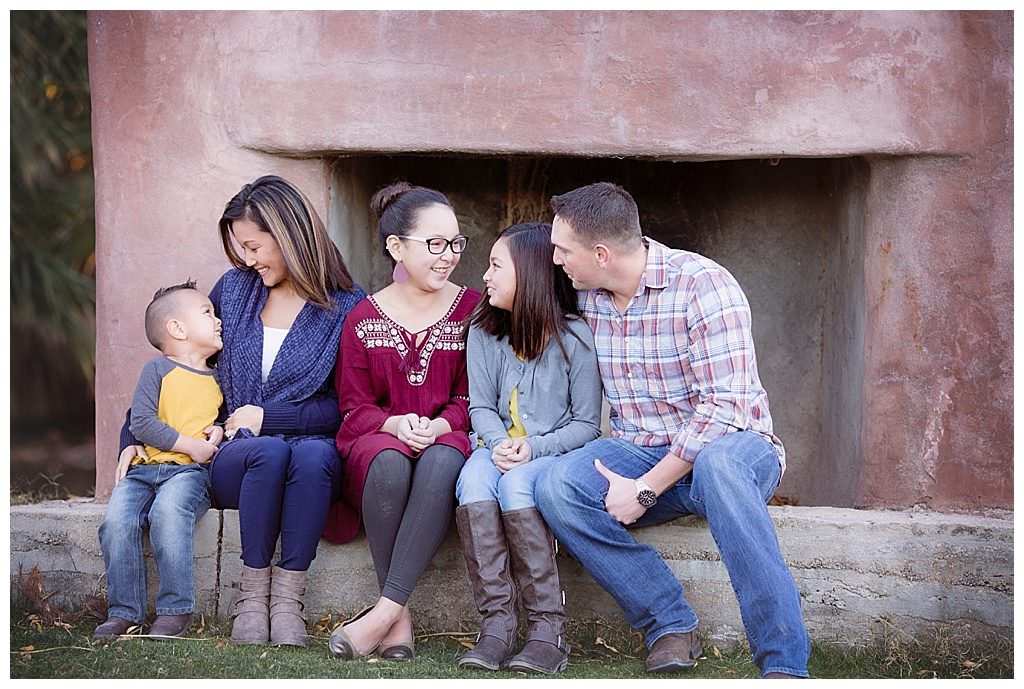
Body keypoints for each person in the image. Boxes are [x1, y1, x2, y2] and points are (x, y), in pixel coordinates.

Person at [534, 182, 810, 678]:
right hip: (638, 447)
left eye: (562, 249)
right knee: (556, 487)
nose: (554, 260)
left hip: (736, 447)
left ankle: (783, 665)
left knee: (720, 466)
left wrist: (645, 489)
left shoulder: (704, 284)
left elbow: (724, 407)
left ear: (600, 254)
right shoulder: (587, 294)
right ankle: (668, 623)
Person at [115, 175, 365, 647]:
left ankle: (289, 601)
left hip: (310, 454)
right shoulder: (234, 291)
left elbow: (345, 407)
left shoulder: (347, 306)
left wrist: (270, 417)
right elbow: (180, 363)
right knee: (266, 452)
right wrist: (133, 436)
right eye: (241, 248)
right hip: (238, 456)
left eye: (254, 246)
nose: (247, 259)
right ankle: (252, 598)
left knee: (313, 458)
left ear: (289, 234)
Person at [325, 182, 480, 662]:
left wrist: (438, 426)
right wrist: (393, 426)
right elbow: (354, 407)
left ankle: (383, 614)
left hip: (448, 436)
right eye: (435, 244)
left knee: (440, 459)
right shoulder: (362, 317)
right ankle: (402, 615)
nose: (448, 255)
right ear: (396, 246)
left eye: (455, 243)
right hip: (377, 443)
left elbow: (472, 395)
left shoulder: (473, 310)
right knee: (389, 463)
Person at [454, 222, 602, 674]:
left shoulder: (576, 338)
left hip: (551, 456)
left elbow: (587, 426)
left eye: (497, 265)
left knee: (517, 487)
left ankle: (546, 631)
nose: (485, 275)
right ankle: (497, 624)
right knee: (474, 481)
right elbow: (479, 406)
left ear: (531, 274)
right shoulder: (483, 331)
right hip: (495, 448)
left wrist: (532, 449)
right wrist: (498, 443)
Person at [95, 280, 224, 641]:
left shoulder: (221, 378)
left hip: (188, 474)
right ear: (177, 329)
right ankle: (123, 612)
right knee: (117, 522)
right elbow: (142, 421)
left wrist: (217, 431)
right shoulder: (158, 371)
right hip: (144, 471)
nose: (218, 321)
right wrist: (189, 443)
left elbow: (224, 420)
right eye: (207, 313)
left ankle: (175, 609)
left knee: (168, 514)